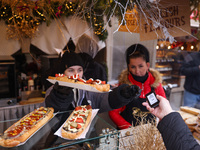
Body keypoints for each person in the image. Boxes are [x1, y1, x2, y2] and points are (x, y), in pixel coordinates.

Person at [45, 51, 141, 113]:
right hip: (60, 139)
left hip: (88, 136)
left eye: (79, 70)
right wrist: (60, 96)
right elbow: (52, 112)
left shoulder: (89, 88)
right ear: (62, 73)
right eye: (71, 70)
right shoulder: (52, 91)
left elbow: (105, 99)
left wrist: (122, 95)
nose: (76, 75)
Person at [109, 44, 166, 129]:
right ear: (128, 67)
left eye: (140, 66)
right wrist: (130, 130)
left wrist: (160, 130)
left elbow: (164, 111)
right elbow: (113, 112)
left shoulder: (156, 84)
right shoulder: (124, 85)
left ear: (147, 65)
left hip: (149, 134)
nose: (137, 71)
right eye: (133, 67)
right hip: (128, 134)